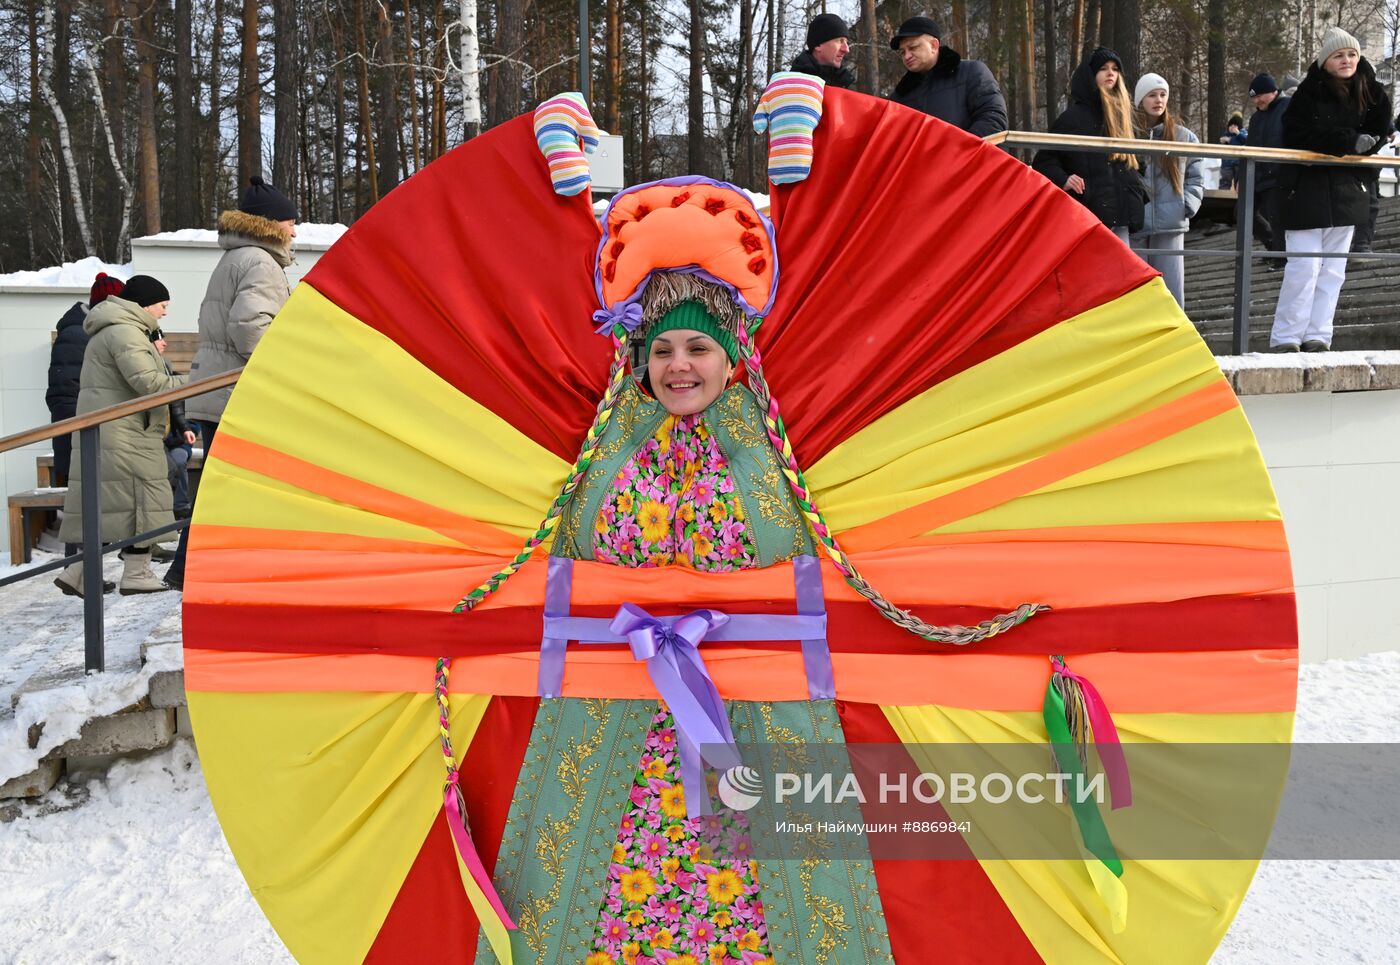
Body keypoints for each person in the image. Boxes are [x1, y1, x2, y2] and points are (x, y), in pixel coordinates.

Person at [166, 175, 297, 589]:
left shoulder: (237, 257)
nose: (295, 230)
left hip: (219, 390)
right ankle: (199, 571)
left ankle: (188, 570)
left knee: (218, 489)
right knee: (233, 491)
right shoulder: (260, 262)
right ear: (271, 224)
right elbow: (249, 326)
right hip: (238, 396)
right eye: (291, 222)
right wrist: (281, 372)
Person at [55, 275, 185, 596]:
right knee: (143, 502)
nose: (165, 312)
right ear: (145, 303)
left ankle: (78, 573)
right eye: (163, 305)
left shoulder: (116, 329)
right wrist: (198, 382)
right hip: (126, 435)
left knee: (115, 506)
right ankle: (137, 574)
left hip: (116, 433)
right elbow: (150, 384)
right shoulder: (126, 332)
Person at [1270, 27, 1392, 351]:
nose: (1347, 60)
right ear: (1326, 61)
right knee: (1304, 266)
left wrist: (1365, 144)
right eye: (1339, 55)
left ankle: (1319, 335)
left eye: (1351, 54)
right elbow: (1296, 133)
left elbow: (1380, 128)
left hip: (1347, 188)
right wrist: (1346, 141)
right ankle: (1286, 337)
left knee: (1334, 269)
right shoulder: (1307, 93)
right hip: (1305, 188)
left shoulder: (1372, 91)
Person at [1032, 47, 1146, 241]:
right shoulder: (1072, 118)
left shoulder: (1123, 117)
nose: (1111, 73)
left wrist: (1137, 187)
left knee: (1122, 271)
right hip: (1090, 217)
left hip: (1122, 215)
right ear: (1090, 75)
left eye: (1115, 69)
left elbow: (1136, 163)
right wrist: (1064, 179)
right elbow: (1044, 160)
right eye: (1103, 68)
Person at [1133, 73, 1205, 308]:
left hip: (1171, 223)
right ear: (1140, 100)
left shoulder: (1184, 137)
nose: (1158, 100)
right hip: (1137, 224)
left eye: (1163, 95)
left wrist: (1187, 204)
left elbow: (1196, 176)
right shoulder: (1128, 135)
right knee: (1139, 292)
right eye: (1152, 95)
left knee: (1172, 293)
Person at [46, 272, 125, 486]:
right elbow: (64, 395)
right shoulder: (76, 335)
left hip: (94, 438)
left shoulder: (95, 333)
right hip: (82, 440)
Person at [888, 16, 1008, 135]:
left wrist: (961, 149)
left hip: (972, 153)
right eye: (903, 52)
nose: (907, 56)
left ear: (934, 45)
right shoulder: (900, 96)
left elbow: (994, 118)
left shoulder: (971, 72)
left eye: (913, 47)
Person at [1245, 72, 1291, 268]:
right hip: (1257, 175)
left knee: (1277, 216)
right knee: (1243, 213)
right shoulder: (1256, 118)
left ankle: (1281, 257)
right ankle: (1274, 246)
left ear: (1273, 92)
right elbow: (1248, 148)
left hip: (1278, 175)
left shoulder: (1287, 107)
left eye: (1259, 96)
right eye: (1253, 97)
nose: (1256, 101)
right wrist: (1241, 177)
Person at [789, 13, 854, 88]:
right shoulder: (790, 86)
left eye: (846, 42)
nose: (846, 49)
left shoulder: (848, 84)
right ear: (818, 45)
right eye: (840, 41)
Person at [1218, 113, 1247, 190]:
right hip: (1227, 163)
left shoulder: (1242, 134)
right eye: (1231, 126)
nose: (1232, 127)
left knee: (1240, 182)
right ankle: (1222, 196)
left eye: (1235, 126)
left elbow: (1245, 141)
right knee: (1224, 181)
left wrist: (1234, 137)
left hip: (1239, 162)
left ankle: (1239, 197)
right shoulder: (1226, 134)